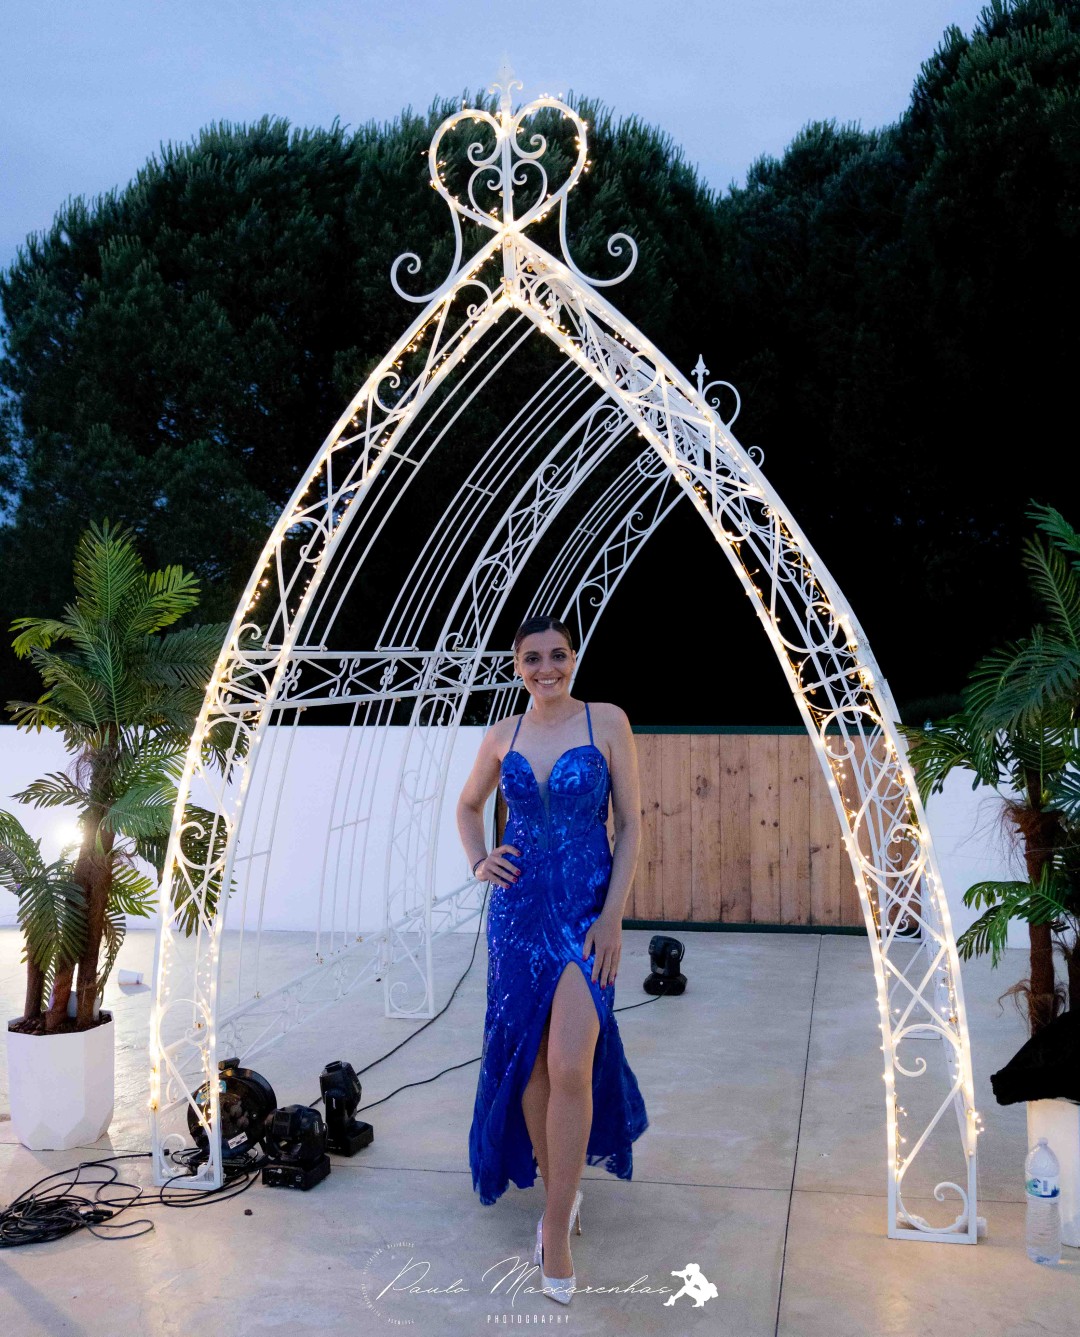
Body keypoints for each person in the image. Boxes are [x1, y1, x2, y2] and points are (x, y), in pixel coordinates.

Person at [457, 614, 649, 1306]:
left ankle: (558, 1237)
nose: (547, 668)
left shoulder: (607, 722)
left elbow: (631, 824)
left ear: (574, 658)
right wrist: (480, 860)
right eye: (533, 658)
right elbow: (468, 805)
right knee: (532, 1065)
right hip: (516, 920)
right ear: (517, 666)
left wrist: (613, 915)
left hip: (583, 917)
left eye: (558, 655)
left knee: (571, 1061)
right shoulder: (501, 734)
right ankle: (556, 1203)